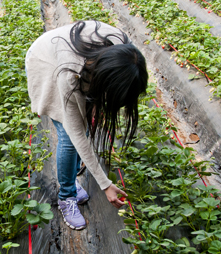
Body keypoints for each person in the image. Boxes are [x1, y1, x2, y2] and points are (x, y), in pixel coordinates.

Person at [25, 20, 148, 230]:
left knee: (88, 124)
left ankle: (71, 180)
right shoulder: (69, 75)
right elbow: (77, 133)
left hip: (79, 64)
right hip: (45, 61)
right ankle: (66, 196)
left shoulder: (124, 50)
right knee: (68, 136)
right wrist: (105, 184)